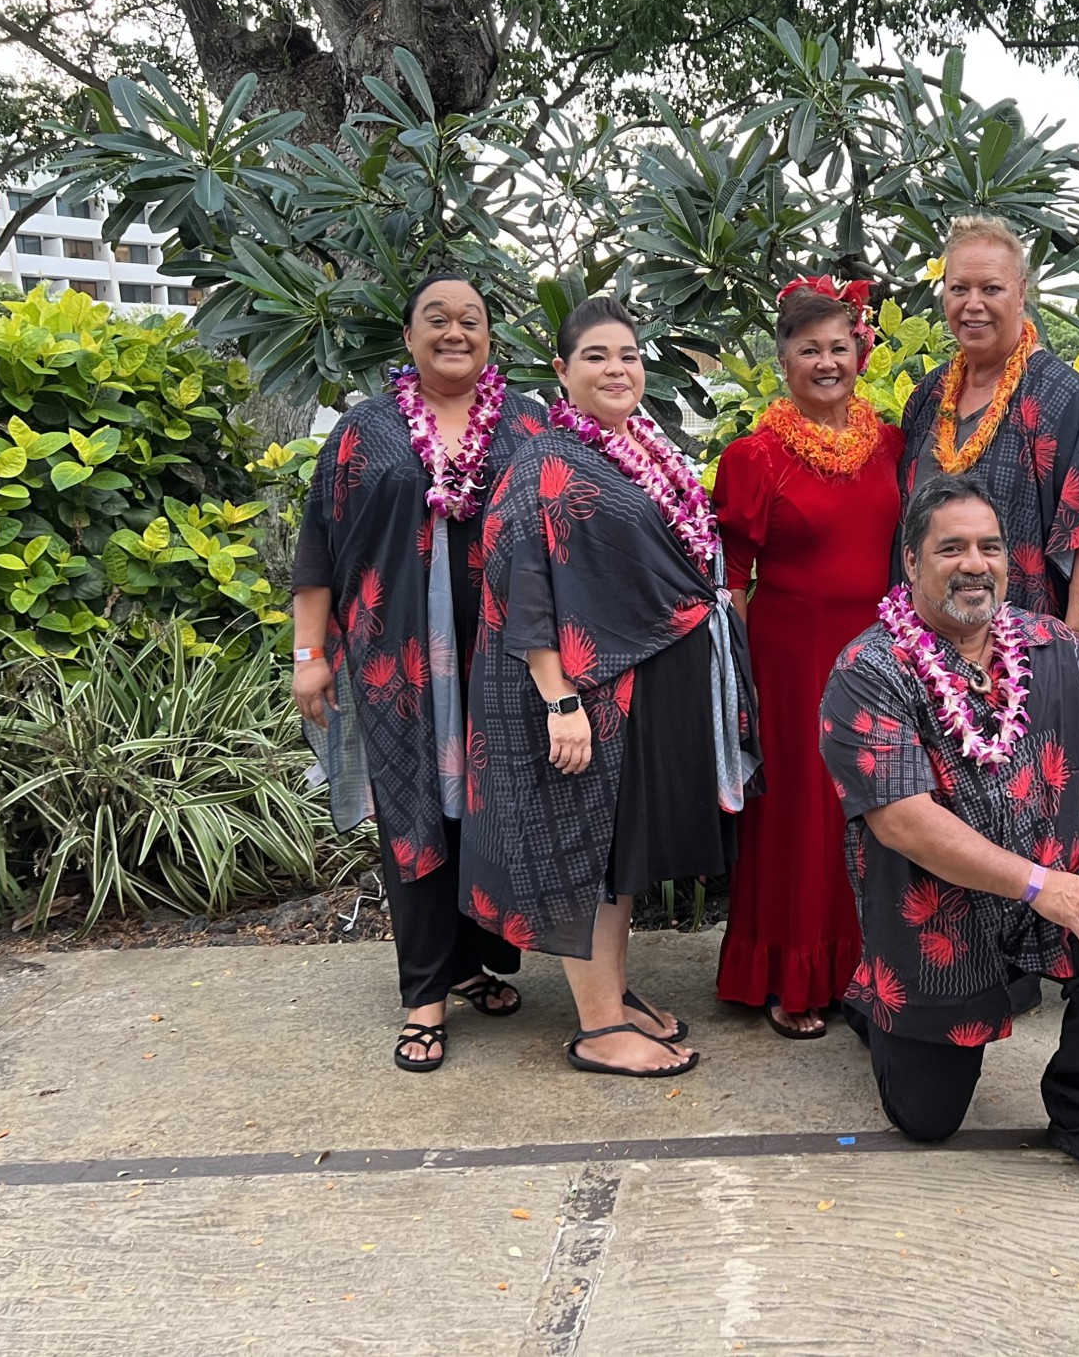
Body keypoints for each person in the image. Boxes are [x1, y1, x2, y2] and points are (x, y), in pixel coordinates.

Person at [819, 475, 1079, 1205]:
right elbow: (902, 819)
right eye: (952, 548)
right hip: (936, 918)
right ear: (911, 561)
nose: (975, 564)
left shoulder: (1055, 647)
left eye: (990, 547)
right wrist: (1042, 886)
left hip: (1056, 882)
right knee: (927, 1120)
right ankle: (874, 1005)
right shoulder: (869, 668)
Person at [463, 296, 759, 1077]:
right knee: (584, 853)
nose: (616, 369)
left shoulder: (643, 446)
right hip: (579, 694)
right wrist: (559, 700)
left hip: (633, 690)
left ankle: (615, 996)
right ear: (561, 371)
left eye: (627, 354)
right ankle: (598, 1029)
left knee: (617, 854)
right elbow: (520, 584)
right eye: (595, 356)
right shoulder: (545, 460)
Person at [292, 272, 544, 1073]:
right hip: (396, 661)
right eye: (436, 319)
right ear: (408, 338)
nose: (454, 331)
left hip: (504, 661)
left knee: (489, 807)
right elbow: (318, 543)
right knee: (413, 814)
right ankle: (425, 996)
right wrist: (308, 655)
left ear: (490, 338)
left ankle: (472, 963)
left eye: (471, 320)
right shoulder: (365, 431)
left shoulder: (528, 422)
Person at [713, 279, 901, 1040]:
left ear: (860, 352)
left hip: (880, 652)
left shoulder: (892, 445)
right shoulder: (753, 457)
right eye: (809, 350)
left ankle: (867, 969)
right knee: (801, 809)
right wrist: (740, 680)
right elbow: (731, 580)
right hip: (791, 656)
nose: (827, 362)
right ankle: (790, 973)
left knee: (874, 805)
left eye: (838, 347)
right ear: (783, 362)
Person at [898, 216, 1079, 647]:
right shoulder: (928, 396)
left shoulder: (1064, 397)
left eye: (991, 289)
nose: (973, 304)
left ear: (1021, 293)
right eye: (959, 289)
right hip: (921, 644)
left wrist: (1076, 656)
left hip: (1024, 653)